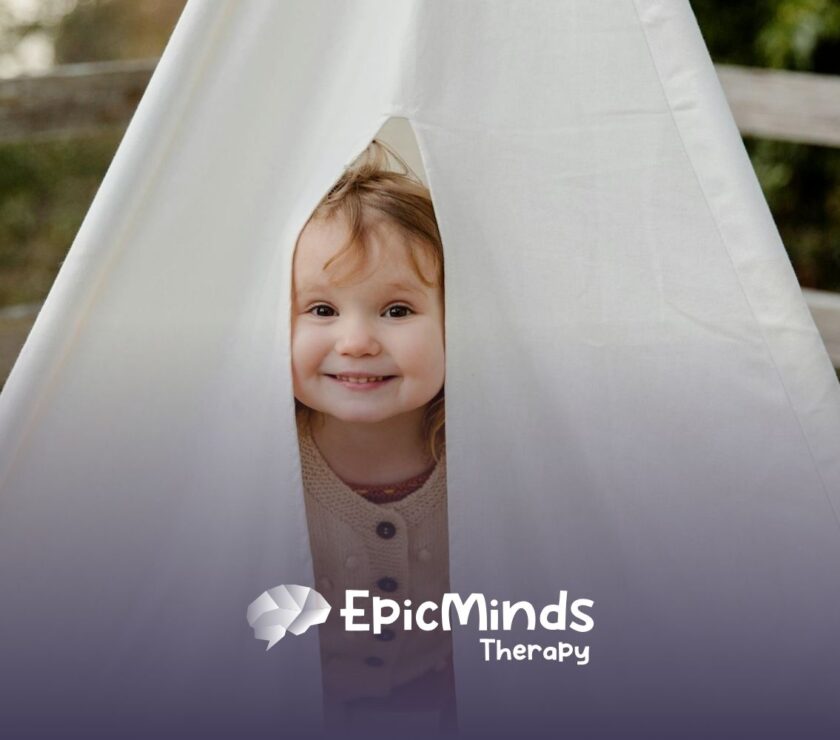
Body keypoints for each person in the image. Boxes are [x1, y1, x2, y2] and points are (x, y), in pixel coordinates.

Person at [290, 139, 457, 734]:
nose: (357, 341)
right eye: (321, 310)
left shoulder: (485, 453)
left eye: (395, 311)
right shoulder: (260, 458)